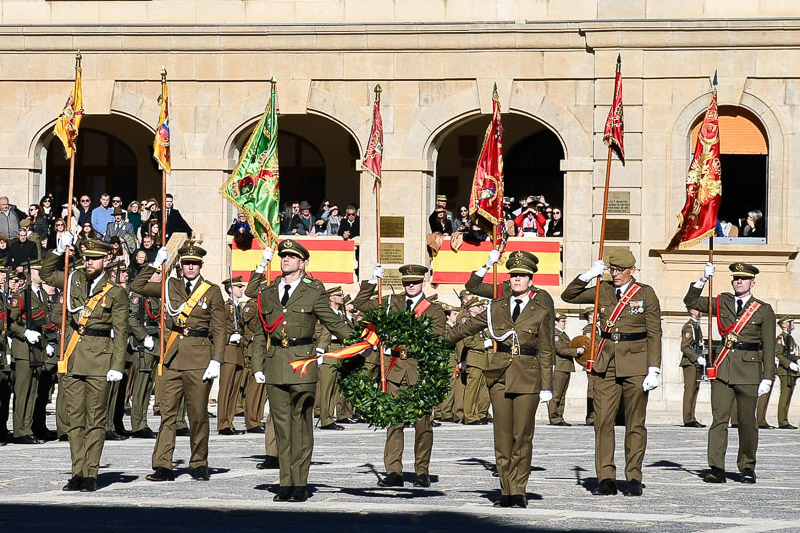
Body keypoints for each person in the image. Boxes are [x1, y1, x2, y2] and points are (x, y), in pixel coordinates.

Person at [446, 251, 554, 508]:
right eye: (514, 275)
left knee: (522, 436)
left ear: (530, 280)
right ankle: (506, 490)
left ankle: (519, 489)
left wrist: (547, 385)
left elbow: (547, 349)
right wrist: (434, 341)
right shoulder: (496, 307)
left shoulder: (541, 309)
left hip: (528, 376)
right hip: (500, 376)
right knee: (502, 436)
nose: (517, 280)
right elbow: (467, 327)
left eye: (522, 276)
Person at [251, 239, 352, 502]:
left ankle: (300, 483)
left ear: (303, 263)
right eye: (283, 256)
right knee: (282, 427)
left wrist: (360, 339)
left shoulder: (313, 291)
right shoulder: (268, 293)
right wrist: (257, 365)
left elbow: (331, 321)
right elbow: (261, 334)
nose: (285, 260)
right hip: (275, 364)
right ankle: (286, 482)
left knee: (302, 425)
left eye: (292, 257)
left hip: (302, 364)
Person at [561, 250, 662, 497]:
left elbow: (654, 333)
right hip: (605, 362)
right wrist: (588, 275)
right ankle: (606, 477)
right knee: (603, 422)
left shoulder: (645, 293)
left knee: (635, 423)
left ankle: (634, 477)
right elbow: (568, 295)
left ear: (632, 271)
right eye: (612, 270)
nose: (615, 274)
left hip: (636, 363)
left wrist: (654, 368)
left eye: (620, 270)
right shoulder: (602, 289)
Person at [131, 240, 226, 482]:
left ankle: (199, 462)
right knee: (167, 415)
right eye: (186, 263)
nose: (190, 267)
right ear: (181, 265)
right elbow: (138, 285)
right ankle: (163, 465)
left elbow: (219, 329)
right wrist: (155, 263)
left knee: (197, 415)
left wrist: (217, 360)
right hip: (171, 357)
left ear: (201, 265)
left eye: (194, 263)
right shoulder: (169, 285)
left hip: (198, 358)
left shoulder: (212, 290)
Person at [40, 234, 129, 492]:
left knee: (96, 419)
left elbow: (121, 332)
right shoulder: (72, 278)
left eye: (94, 259)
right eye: (87, 258)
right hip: (74, 356)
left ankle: (91, 472)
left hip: (101, 359)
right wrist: (57, 251)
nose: (89, 262)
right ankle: (77, 471)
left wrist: (117, 365)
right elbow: (47, 275)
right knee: (74, 420)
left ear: (106, 260)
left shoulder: (116, 292)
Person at [354, 262, 445, 490]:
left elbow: (437, 342)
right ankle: (394, 471)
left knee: (423, 425)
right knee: (394, 423)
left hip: (419, 372)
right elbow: (360, 304)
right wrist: (372, 282)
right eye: (407, 282)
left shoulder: (433, 309)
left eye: (414, 282)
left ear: (423, 282)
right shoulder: (391, 304)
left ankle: (421, 471)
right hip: (395, 370)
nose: (411, 285)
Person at [684, 262, 776, 484]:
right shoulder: (722, 301)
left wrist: (768, 377)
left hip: (750, 370)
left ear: (752, 282)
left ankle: (747, 467)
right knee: (719, 420)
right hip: (723, 368)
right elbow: (691, 301)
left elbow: (769, 346)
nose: (739, 282)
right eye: (736, 278)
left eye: (743, 279)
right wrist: (702, 280)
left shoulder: (763, 309)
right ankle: (717, 467)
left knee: (747, 422)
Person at [8, 259, 49, 444]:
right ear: (30, 273)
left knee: (33, 390)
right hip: (24, 348)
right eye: (38, 271)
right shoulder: (21, 295)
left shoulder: (42, 295)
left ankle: (28, 427)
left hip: (38, 347)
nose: (41, 274)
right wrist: (25, 333)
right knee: (23, 391)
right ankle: (19, 431)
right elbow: (11, 323)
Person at [127, 267, 164, 439]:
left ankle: (143, 421)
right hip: (143, 345)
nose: (160, 276)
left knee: (148, 386)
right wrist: (144, 336)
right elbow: (132, 319)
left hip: (154, 344)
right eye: (157, 273)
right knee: (140, 386)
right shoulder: (138, 296)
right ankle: (138, 424)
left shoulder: (155, 296)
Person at [315, 286, 353, 430]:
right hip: (329, 350)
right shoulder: (326, 313)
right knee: (326, 386)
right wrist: (320, 350)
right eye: (338, 296)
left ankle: (331, 416)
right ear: (331, 298)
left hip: (340, 349)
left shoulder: (340, 314)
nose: (341, 298)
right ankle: (326, 419)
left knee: (335, 386)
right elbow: (320, 332)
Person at [217, 276, 246, 435]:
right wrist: (229, 337)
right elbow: (218, 326)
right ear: (230, 289)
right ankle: (222, 423)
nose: (241, 290)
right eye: (238, 287)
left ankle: (229, 420)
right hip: (228, 350)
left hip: (238, 351)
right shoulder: (224, 306)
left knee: (235, 389)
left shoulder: (238, 307)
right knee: (226, 388)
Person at [457, 297, 491, 426]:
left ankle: (476, 413)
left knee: (479, 389)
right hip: (474, 359)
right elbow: (468, 341)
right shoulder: (468, 322)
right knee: (472, 389)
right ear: (471, 308)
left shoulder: (477, 322)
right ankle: (469, 416)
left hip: (482, 359)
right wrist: (484, 344)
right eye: (478, 306)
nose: (481, 308)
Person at [549, 312, 582, 426]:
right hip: (559, 367)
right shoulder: (555, 334)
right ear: (555, 322)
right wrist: (576, 351)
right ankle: (554, 417)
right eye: (562, 321)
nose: (564, 323)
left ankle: (559, 416)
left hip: (565, 367)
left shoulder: (562, 334)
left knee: (562, 394)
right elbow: (560, 350)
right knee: (556, 393)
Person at [680, 308, 706, 428]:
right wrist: (696, 358)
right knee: (690, 390)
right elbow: (685, 347)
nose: (701, 312)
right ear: (693, 311)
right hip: (690, 362)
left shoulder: (696, 325)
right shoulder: (689, 327)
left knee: (695, 389)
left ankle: (692, 417)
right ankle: (688, 418)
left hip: (695, 362)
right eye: (698, 310)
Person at [775, 317, 798, 430]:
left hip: (793, 371)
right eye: (791, 322)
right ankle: (782, 421)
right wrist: (789, 364)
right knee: (784, 396)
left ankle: (785, 420)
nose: (793, 324)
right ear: (784, 325)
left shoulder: (790, 338)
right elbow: (778, 354)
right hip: (785, 371)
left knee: (788, 396)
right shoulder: (781, 338)